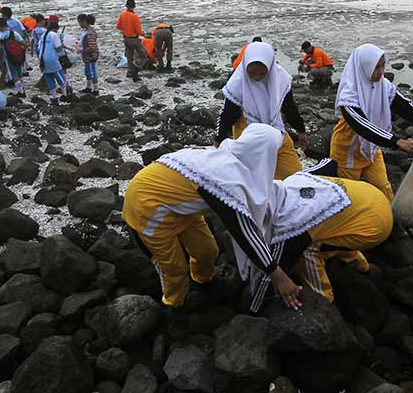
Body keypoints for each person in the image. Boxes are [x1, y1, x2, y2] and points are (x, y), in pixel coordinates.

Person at [123, 123, 303, 310]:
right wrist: (279, 276)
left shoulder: (228, 156)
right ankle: (174, 306)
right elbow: (245, 234)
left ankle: (203, 282)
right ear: (263, 155)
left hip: (178, 206)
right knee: (174, 269)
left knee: (207, 251)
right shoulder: (225, 179)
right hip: (147, 206)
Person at [331, 44, 413, 201]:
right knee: (350, 195)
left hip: (371, 148)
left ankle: (389, 214)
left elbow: (406, 106)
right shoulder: (348, 97)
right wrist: (397, 142)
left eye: (383, 65)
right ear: (364, 68)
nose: (381, 71)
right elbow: (363, 127)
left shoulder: (383, 86)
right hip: (348, 150)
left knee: (383, 187)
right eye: (376, 67)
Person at [266, 169, 392, 307]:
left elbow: (286, 253)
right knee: (333, 231)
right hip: (371, 197)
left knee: (309, 249)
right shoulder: (294, 181)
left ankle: (323, 297)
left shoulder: (293, 221)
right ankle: (361, 266)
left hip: (372, 228)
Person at [217, 42, 307, 179]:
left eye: (262, 73)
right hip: (247, 136)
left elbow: (289, 107)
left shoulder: (281, 79)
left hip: (276, 131)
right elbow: (228, 115)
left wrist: (301, 130)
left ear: (270, 67)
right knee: (252, 177)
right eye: (252, 73)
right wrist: (219, 140)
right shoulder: (237, 83)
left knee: (293, 175)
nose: (257, 77)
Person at [37, 17, 68, 105]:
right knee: (60, 77)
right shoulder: (54, 35)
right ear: (55, 29)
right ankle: (64, 95)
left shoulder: (43, 35)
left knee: (49, 78)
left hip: (42, 59)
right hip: (52, 59)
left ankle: (54, 98)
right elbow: (58, 48)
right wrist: (62, 44)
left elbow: (39, 48)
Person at [116, 0, 148, 82]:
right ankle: (135, 70)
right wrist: (144, 34)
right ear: (134, 6)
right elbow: (138, 31)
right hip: (134, 39)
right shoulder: (134, 16)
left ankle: (129, 72)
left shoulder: (122, 15)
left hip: (126, 39)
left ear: (126, 6)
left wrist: (125, 29)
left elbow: (118, 27)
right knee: (143, 56)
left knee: (129, 57)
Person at [0, 16, 26, 96]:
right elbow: (23, 43)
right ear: (7, 25)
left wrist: (1, 61)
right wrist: (22, 53)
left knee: (14, 75)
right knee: (19, 73)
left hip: (9, 58)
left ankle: (21, 92)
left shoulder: (0, 37)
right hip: (19, 57)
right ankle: (21, 88)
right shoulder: (14, 33)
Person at [77, 13, 100, 94]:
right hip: (87, 56)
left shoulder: (89, 33)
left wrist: (82, 50)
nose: (79, 25)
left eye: (80, 23)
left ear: (84, 22)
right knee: (88, 72)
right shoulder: (87, 31)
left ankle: (95, 89)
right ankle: (88, 87)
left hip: (90, 56)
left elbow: (92, 47)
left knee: (92, 72)